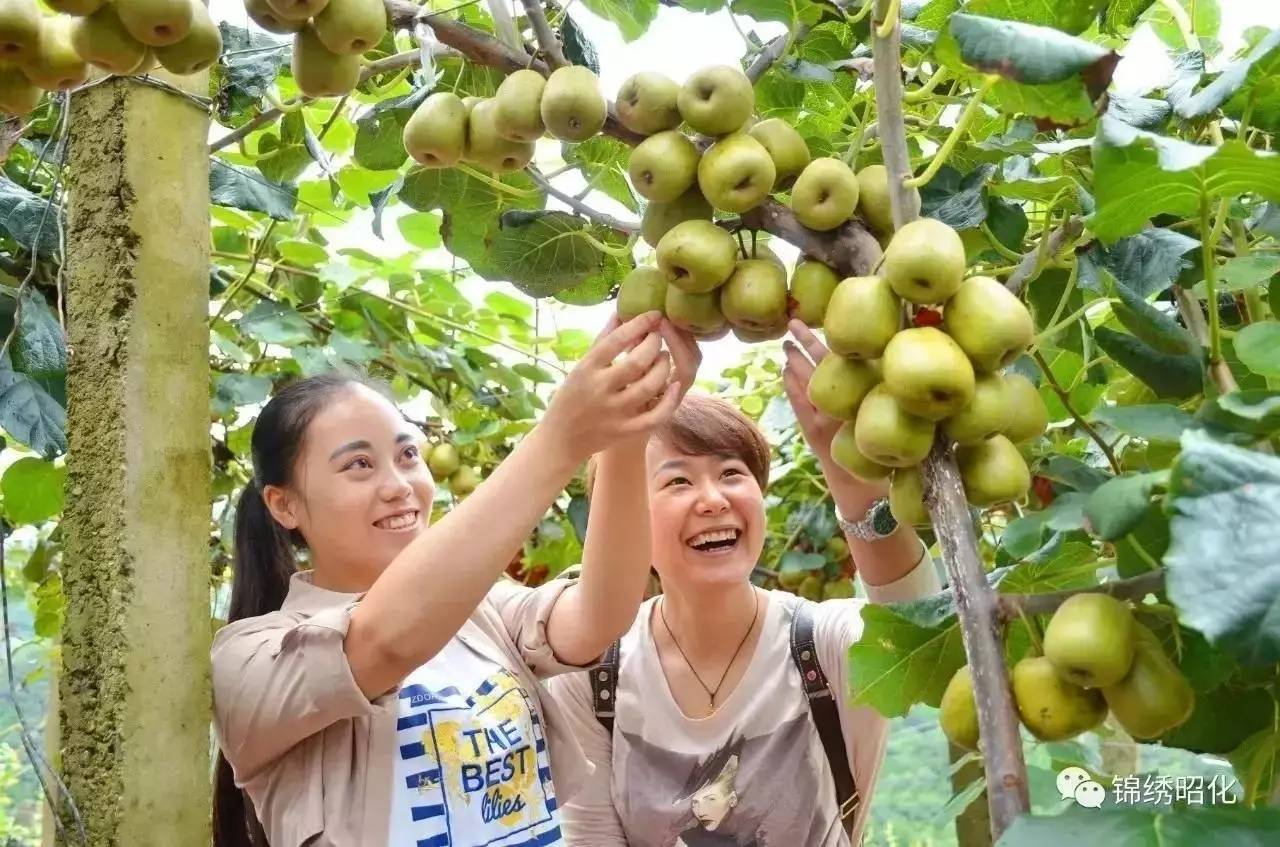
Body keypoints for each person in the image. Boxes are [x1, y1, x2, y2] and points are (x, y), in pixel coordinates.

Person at [210, 312, 700, 847]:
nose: (399, 485)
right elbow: (386, 641)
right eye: (358, 465)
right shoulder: (249, 662)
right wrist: (558, 438)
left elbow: (599, 617)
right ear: (283, 505)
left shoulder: (483, 611)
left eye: (407, 455)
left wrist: (626, 439)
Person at [551, 320, 944, 847]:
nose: (713, 498)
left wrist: (846, 472)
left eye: (732, 473)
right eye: (677, 480)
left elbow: (926, 637)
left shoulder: (819, 647)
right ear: (623, 520)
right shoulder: (595, 676)